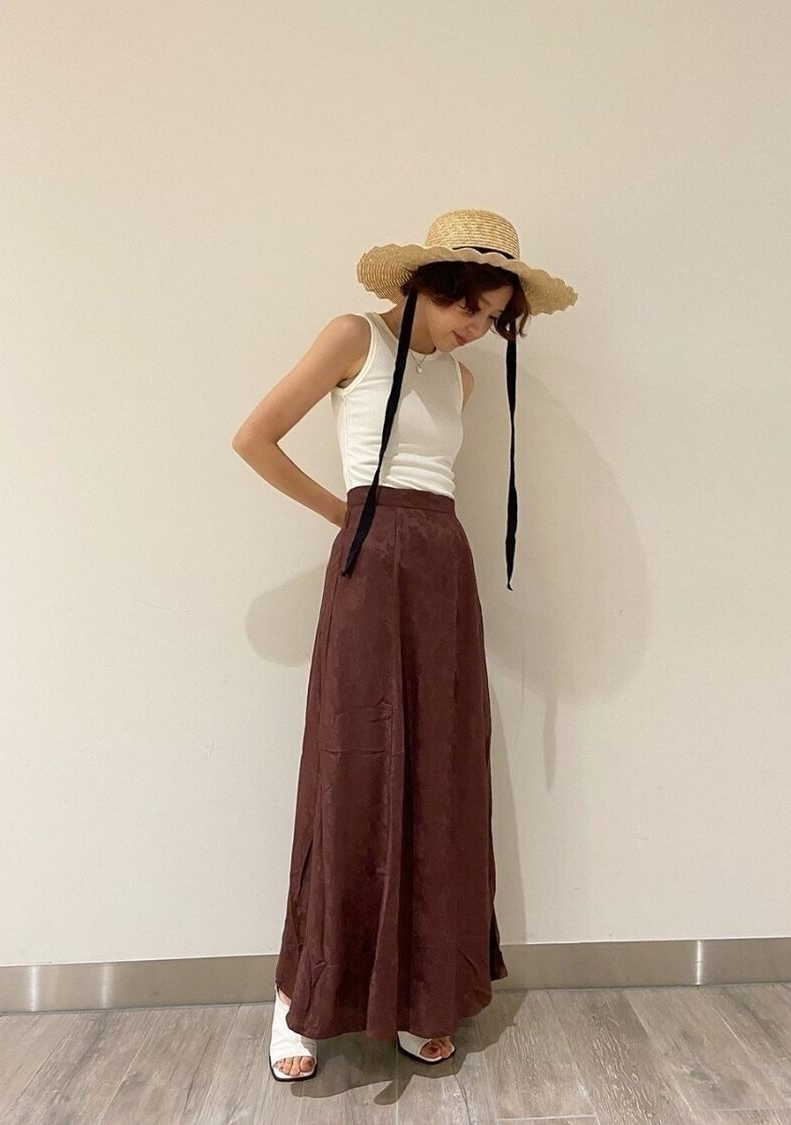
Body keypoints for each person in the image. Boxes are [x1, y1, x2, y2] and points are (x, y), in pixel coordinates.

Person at [232, 209, 578, 1080]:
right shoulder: (354, 337)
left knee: (439, 775)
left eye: (492, 316)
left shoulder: (460, 380)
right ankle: (300, 996)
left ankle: (424, 992)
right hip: (370, 566)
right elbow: (253, 438)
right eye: (469, 307)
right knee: (351, 770)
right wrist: (349, 515)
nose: (477, 327)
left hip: (443, 574)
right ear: (426, 285)